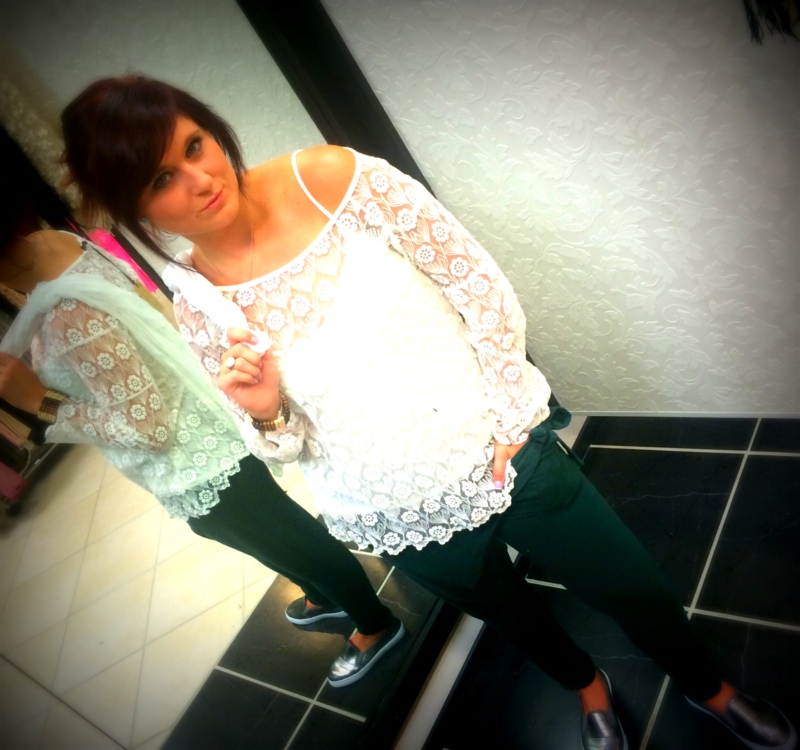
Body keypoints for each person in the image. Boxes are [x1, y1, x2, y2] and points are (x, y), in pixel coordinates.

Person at [60, 74, 796, 750]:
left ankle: (708, 686)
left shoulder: (332, 179)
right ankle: (586, 686)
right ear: (135, 210)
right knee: (512, 617)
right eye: (161, 179)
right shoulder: (199, 307)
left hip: (499, 448)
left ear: (213, 128)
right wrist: (268, 412)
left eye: (194, 145)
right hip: (391, 508)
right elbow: (284, 451)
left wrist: (513, 414)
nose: (200, 179)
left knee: (628, 580)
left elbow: (475, 282)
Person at [0, 165, 404, 689]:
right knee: (274, 537)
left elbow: (147, 431)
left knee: (289, 538)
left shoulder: (67, 315)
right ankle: (326, 595)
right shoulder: (58, 243)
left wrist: (41, 403)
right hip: (202, 428)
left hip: (194, 460)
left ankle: (376, 625)